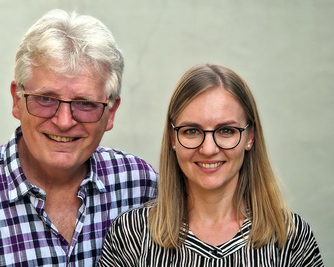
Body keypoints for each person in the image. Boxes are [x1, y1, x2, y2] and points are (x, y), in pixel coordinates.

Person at [0, 9, 157, 266]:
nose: (64, 121)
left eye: (85, 103)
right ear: (16, 100)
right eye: (46, 99)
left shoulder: (141, 187)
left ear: (111, 112)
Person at [98, 64, 324, 266]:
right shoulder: (131, 234)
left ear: (250, 137)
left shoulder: (290, 237)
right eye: (192, 131)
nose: (208, 149)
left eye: (226, 131)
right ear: (172, 137)